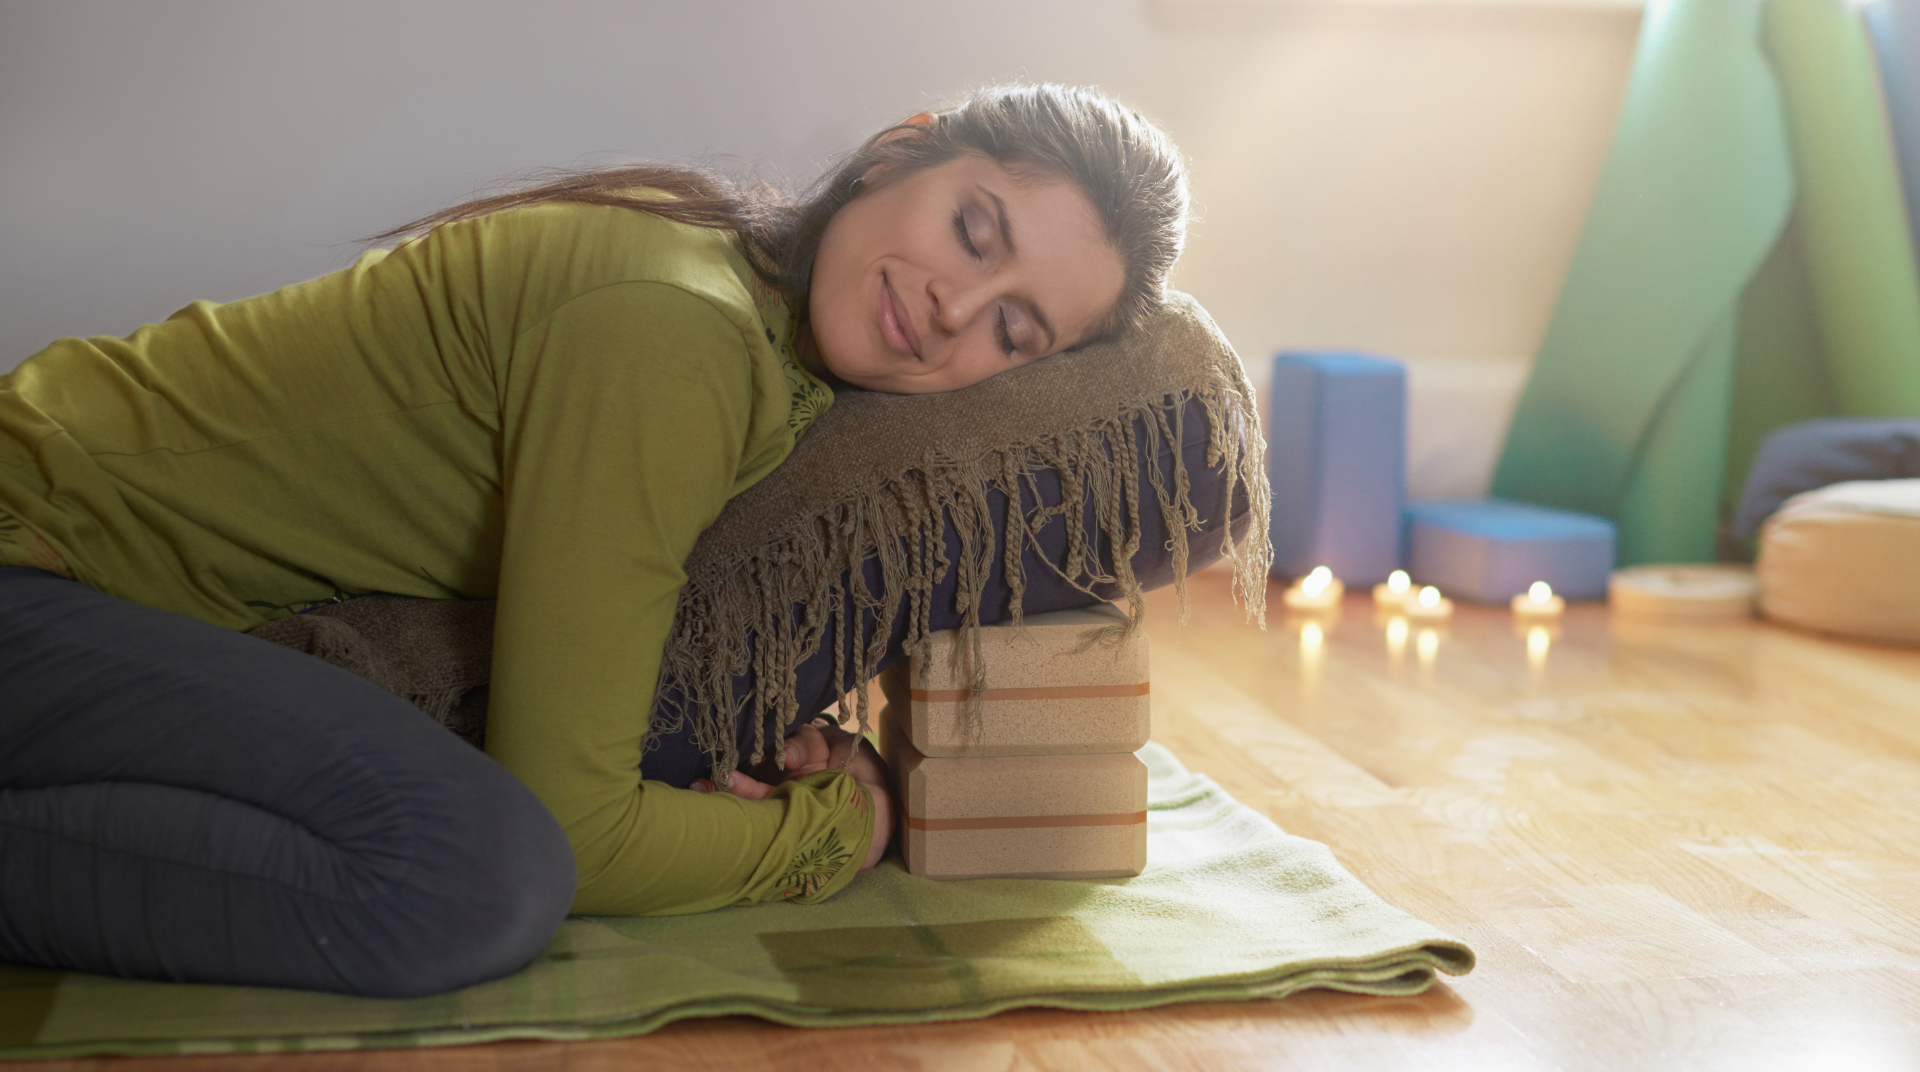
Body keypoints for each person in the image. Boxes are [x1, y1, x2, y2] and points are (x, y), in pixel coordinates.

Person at [0, 83, 1190, 997]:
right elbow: (575, 824)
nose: (953, 311)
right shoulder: (677, 330)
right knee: (481, 875)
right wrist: (845, 826)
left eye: (1013, 332)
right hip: (33, 551)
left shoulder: (764, 340)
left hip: (78, 593)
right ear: (901, 148)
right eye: (976, 233)